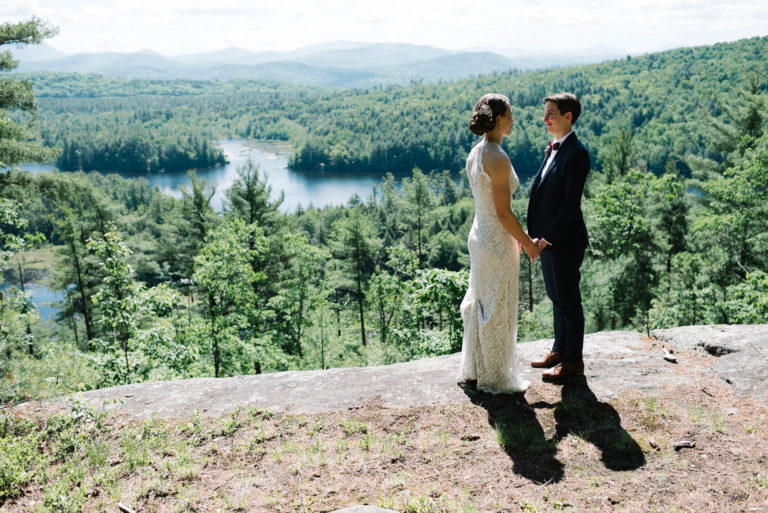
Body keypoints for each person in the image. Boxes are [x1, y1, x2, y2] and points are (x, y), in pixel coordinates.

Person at [459, 93, 541, 394]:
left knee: (482, 301)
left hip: (480, 235)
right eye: (510, 115)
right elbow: (504, 213)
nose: (513, 119)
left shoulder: (476, 153)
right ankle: (494, 377)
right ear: (497, 120)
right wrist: (528, 243)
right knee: (497, 307)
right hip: (495, 241)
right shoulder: (498, 157)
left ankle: (478, 370)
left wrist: (517, 236)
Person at [527, 92, 591, 384]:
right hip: (548, 240)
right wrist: (533, 235)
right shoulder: (553, 149)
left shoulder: (577, 153)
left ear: (568, 116)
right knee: (556, 298)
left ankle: (574, 362)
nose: (545, 119)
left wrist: (546, 239)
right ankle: (559, 350)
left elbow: (569, 206)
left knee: (568, 301)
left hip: (565, 241)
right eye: (545, 113)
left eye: (551, 113)